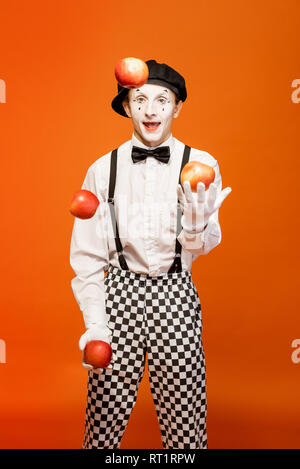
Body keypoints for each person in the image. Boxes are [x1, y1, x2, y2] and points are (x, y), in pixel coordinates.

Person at [70, 59, 232, 450]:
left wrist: (195, 225)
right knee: (103, 419)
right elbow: (88, 254)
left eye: (163, 100)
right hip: (119, 296)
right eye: (140, 99)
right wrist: (95, 323)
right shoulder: (101, 169)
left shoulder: (202, 165)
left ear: (176, 108)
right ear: (127, 106)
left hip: (175, 295)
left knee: (185, 421)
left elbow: (202, 244)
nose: (151, 109)